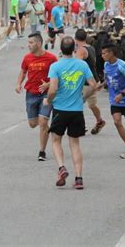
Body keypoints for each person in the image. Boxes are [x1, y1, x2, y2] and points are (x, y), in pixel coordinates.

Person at [43, 36, 99, 190]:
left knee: (55, 141)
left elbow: (53, 88)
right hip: (76, 110)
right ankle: (79, 178)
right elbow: (94, 84)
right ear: (74, 49)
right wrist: (82, 96)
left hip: (60, 109)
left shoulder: (55, 66)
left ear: (61, 49)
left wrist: (48, 100)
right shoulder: (82, 65)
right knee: (75, 144)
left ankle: (61, 167)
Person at [16, 32, 57, 161]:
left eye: (31, 42)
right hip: (31, 93)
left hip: (46, 94)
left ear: (39, 43)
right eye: (28, 42)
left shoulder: (51, 58)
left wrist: (49, 84)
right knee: (33, 124)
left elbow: (59, 76)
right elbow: (23, 71)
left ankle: (42, 151)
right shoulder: (27, 58)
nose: (29, 45)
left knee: (43, 122)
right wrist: (18, 84)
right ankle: (45, 129)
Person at [74, 29, 106, 135]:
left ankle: (80, 127)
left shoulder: (81, 50)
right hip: (94, 80)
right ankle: (99, 121)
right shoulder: (90, 47)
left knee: (76, 104)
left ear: (75, 39)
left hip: (86, 83)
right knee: (92, 104)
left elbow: (77, 67)